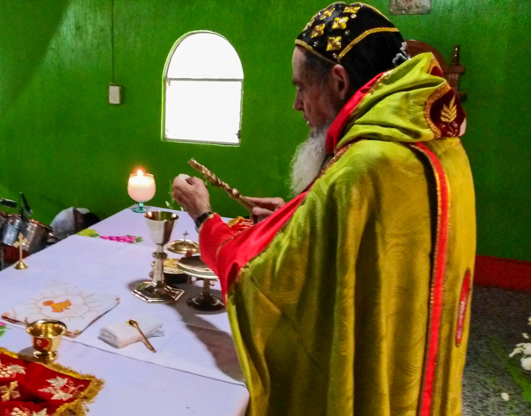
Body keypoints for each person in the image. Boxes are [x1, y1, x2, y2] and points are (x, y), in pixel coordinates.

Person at [172, 3, 475, 415]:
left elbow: (262, 281)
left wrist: (205, 218)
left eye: (301, 87)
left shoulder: (365, 167)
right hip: (421, 368)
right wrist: (299, 214)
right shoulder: (439, 142)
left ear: (339, 81)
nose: (297, 105)